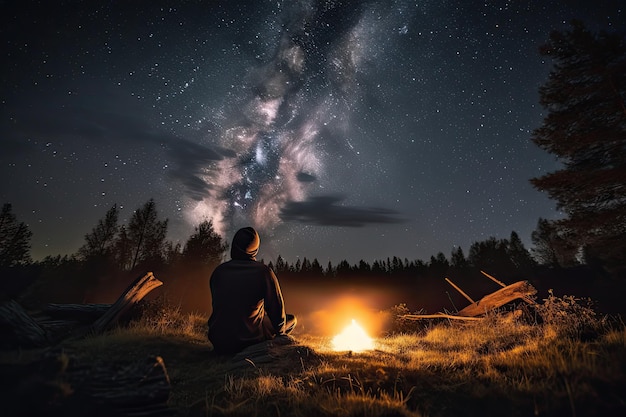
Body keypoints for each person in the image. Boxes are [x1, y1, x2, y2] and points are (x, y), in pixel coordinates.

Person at [207, 226, 296, 354]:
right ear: (254, 249)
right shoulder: (263, 272)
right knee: (291, 320)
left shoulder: (219, 272)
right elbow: (276, 310)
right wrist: (280, 334)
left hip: (219, 340)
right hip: (248, 340)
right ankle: (265, 348)